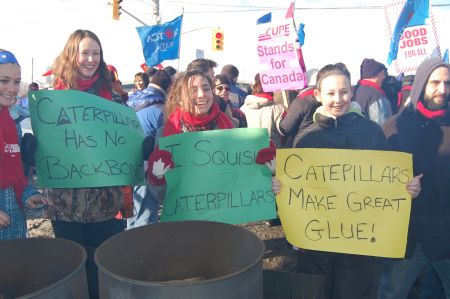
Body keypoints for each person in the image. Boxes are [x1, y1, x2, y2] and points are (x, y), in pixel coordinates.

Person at [291, 62, 421, 299]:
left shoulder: (371, 132)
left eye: (343, 91)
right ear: (318, 95)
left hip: (358, 244)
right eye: (330, 93)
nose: (338, 99)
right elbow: (297, 189)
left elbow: (388, 179)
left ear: (351, 91)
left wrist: (407, 188)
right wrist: (281, 188)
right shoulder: (306, 137)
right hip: (316, 243)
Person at [42, 30, 130, 299]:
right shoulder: (50, 100)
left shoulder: (113, 99)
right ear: (72, 55)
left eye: (96, 53)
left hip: (105, 203)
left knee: (102, 270)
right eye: (85, 53)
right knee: (72, 268)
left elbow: (123, 144)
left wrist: (139, 147)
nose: (91, 59)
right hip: (64, 204)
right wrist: (33, 149)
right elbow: (48, 146)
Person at [378, 57, 450, 299]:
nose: (443, 89)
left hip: (446, 232)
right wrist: (400, 187)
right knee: (391, 292)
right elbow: (377, 179)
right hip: (408, 235)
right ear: (421, 84)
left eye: (447, 83)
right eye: (435, 82)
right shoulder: (393, 127)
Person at [147, 70, 234, 185]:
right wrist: (157, 177)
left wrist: (263, 168)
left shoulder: (230, 127)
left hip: (223, 200)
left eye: (206, 89)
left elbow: (241, 177)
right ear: (180, 100)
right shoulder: (164, 134)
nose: (201, 94)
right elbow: (159, 195)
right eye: (193, 90)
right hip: (186, 202)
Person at [0, 49, 49, 240]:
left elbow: (14, 177)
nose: (12, 88)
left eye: (16, 81)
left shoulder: (12, 127)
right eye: (4, 80)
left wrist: (29, 195)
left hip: (15, 232)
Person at [126, 69, 171, 229]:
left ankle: (129, 248)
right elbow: (165, 144)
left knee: (131, 215)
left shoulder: (131, 100)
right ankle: (142, 251)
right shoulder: (161, 110)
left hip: (127, 166)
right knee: (145, 216)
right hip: (147, 170)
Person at [240, 73, 285, 148]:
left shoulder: (243, 109)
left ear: (255, 85)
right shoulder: (278, 108)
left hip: (250, 151)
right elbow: (283, 131)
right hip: (273, 152)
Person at [353, 58, 392, 125]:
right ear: (374, 75)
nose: (384, 77)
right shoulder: (376, 95)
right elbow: (383, 124)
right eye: (382, 74)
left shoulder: (355, 91)